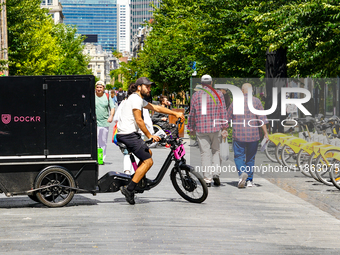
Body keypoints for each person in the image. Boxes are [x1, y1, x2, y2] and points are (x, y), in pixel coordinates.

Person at [116, 77, 185, 205]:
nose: (149, 89)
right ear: (138, 87)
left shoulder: (137, 99)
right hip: (128, 134)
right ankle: (129, 189)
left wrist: (174, 113)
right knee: (148, 161)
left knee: (149, 154)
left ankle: (137, 180)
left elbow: (156, 108)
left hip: (130, 134)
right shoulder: (135, 99)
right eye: (147, 86)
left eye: (149, 87)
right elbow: (139, 120)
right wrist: (150, 135)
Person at [187, 74, 228, 187]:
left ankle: (207, 179)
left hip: (201, 128)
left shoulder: (196, 95)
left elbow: (192, 113)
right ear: (211, 83)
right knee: (216, 151)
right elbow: (223, 111)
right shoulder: (218, 94)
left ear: (201, 84)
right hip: (216, 128)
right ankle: (216, 173)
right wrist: (225, 127)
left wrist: (191, 127)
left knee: (205, 153)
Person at [226, 83, 269, 188]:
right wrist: (266, 134)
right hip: (253, 136)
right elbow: (262, 119)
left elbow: (227, 118)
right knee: (250, 158)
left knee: (239, 156)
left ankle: (242, 174)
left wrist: (224, 130)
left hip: (239, 135)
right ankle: (249, 181)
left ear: (242, 91)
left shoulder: (235, 102)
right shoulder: (256, 101)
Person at [95, 81, 115, 163]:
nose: (99, 89)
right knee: (95, 141)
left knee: (103, 141)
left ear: (103, 88)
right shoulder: (93, 96)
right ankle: (95, 157)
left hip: (104, 122)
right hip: (94, 122)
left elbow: (112, 107)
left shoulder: (107, 96)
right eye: (97, 87)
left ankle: (101, 158)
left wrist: (111, 116)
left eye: (100, 87)